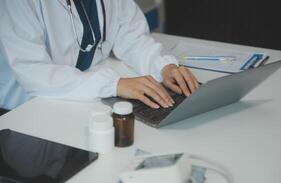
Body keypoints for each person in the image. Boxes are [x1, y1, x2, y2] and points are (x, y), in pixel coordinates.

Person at [0, 0, 199, 111]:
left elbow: (130, 35)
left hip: (82, 100)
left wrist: (163, 66)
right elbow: (34, 71)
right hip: (26, 110)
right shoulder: (17, 3)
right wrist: (115, 84)